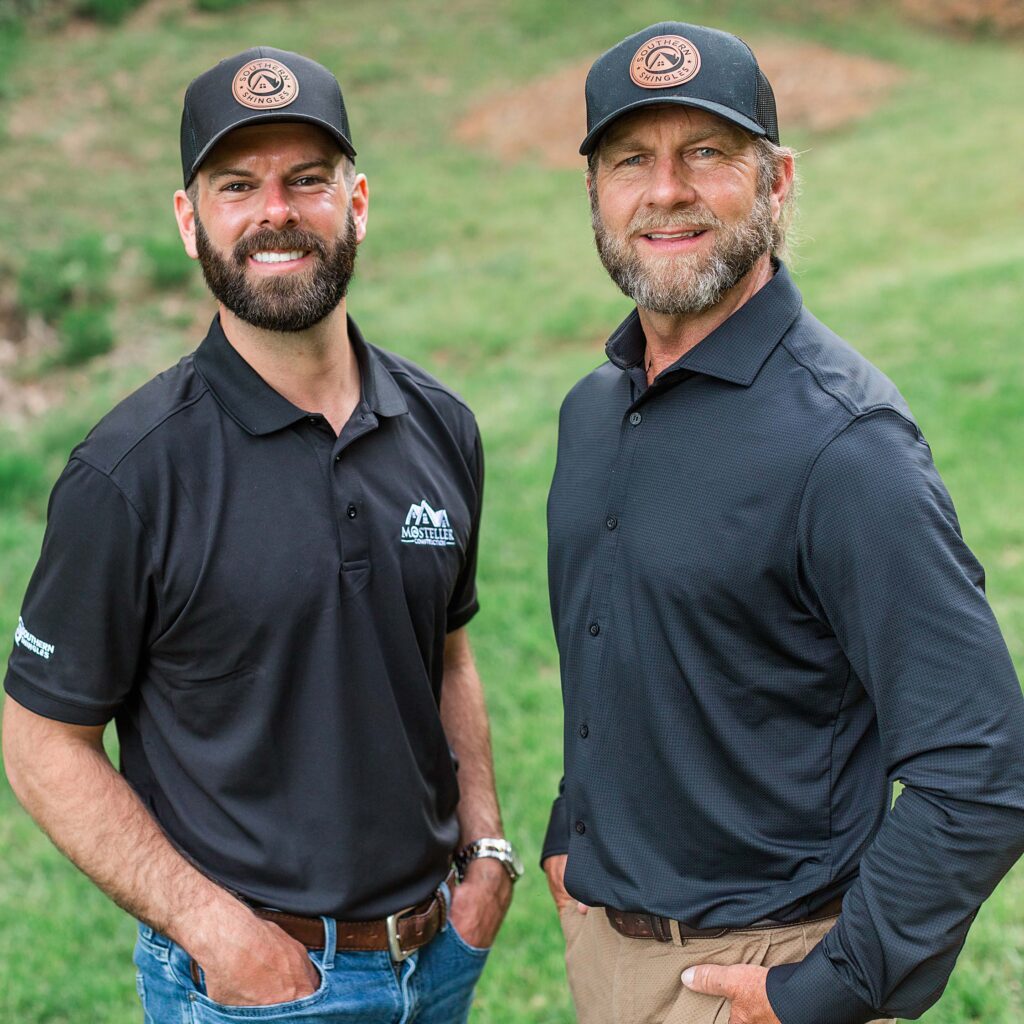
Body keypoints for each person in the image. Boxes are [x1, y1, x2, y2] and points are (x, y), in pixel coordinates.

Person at [3, 46, 523, 1023]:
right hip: (253, 988)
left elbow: (448, 653)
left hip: (437, 957)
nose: (275, 211)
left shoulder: (440, 424)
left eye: (306, 180)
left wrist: (486, 848)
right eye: (237, 184)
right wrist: (211, 927)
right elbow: (40, 735)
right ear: (189, 217)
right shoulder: (129, 474)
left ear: (357, 202)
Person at [541, 21, 1024, 1024]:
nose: (666, 190)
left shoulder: (846, 447)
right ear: (594, 191)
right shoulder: (594, 412)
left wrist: (831, 989)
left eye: (706, 153)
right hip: (604, 954)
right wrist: (569, 826)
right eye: (632, 159)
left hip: (759, 973)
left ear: (777, 180)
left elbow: (981, 761)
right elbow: (623, 647)